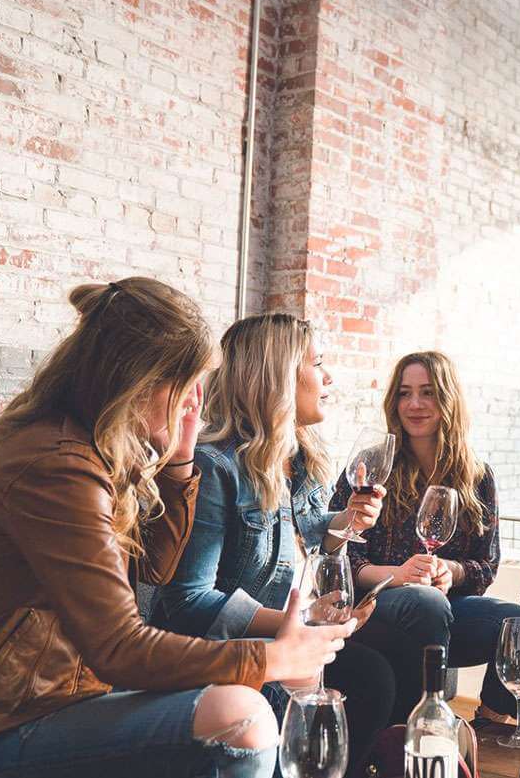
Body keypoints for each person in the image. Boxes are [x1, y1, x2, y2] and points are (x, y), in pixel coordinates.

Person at [0, 279, 347, 778]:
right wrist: (268, 658)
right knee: (241, 718)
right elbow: (120, 647)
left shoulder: (89, 450)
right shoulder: (57, 467)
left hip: (54, 700)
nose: (196, 402)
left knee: (251, 699)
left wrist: (180, 460)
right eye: (188, 384)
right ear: (141, 381)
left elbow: (153, 568)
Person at [150, 313, 394, 778]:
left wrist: (342, 524)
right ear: (277, 377)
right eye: (316, 363)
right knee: (370, 678)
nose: (328, 376)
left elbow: (301, 536)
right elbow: (186, 601)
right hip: (223, 649)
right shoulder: (214, 466)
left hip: (286, 630)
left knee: (389, 658)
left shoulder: (298, 459)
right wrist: (296, 624)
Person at [330, 351, 520, 725]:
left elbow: (485, 567)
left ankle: (487, 725)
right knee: (425, 602)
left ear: (448, 400)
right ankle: (422, 724)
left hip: (444, 610)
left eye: (428, 393)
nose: (415, 404)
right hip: (374, 607)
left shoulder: (477, 475)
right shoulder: (371, 466)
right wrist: (398, 574)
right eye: (405, 393)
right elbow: (337, 552)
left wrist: (450, 572)